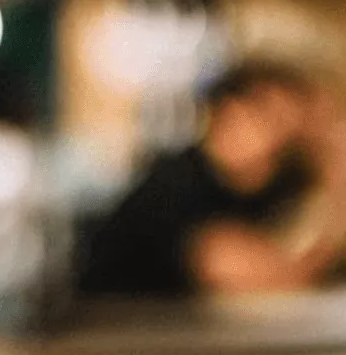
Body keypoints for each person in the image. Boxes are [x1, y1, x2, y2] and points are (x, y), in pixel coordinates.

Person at [80, 61, 346, 295]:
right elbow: (275, 276)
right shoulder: (178, 185)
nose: (286, 132)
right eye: (273, 115)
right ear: (230, 111)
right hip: (109, 345)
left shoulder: (276, 187)